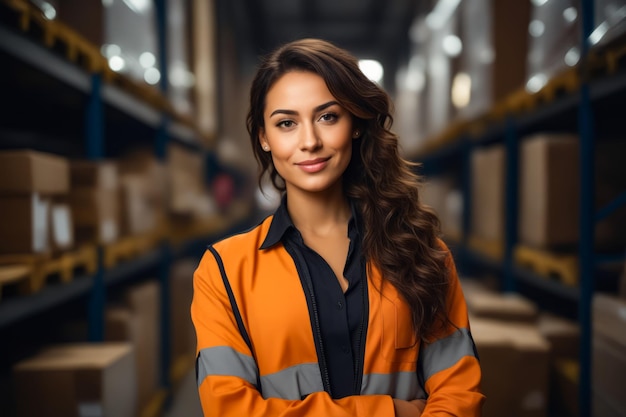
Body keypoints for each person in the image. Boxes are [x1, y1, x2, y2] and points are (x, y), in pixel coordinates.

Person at [191, 38, 485, 416]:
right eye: (286, 123)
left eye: (328, 117)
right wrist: (392, 412)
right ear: (264, 137)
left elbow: (459, 395)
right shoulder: (224, 271)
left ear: (356, 126)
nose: (310, 141)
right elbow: (229, 409)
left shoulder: (422, 251)